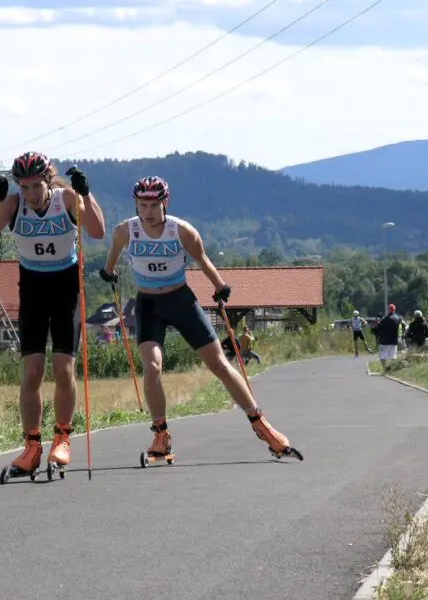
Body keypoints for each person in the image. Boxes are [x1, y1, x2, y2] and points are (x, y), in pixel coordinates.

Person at [98, 175, 301, 460]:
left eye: (154, 205)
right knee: (153, 367)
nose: (148, 212)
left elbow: (202, 260)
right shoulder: (125, 231)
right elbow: (112, 257)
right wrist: (108, 272)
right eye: (142, 205)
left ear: (165, 203)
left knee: (218, 364)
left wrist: (220, 286)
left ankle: (260, 423)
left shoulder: (181, 231)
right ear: (136, 204)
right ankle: (160, 433)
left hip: (180, 300)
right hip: (148, 305)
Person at [0, 151, 106, 479]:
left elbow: (98, 231)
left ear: (48, 181)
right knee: (31, 372)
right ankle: (32, 447)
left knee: (63, 368)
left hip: (66, 287)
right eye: (24, 187)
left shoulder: (67, 199)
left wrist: (86, 194)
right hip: (33, 287)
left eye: (36, 186)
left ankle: (62, 438)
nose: (31, 194)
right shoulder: (14, 205)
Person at [376, 303, 403, 370]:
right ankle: (392, 368)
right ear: (394, 310)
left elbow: (379, 328)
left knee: (382, 356)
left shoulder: (385, 319)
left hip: (385, 341)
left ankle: (385, 368)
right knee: (393, 356)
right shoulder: (398, 319)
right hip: (394, 341)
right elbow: (401, 328)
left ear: (388, 310)